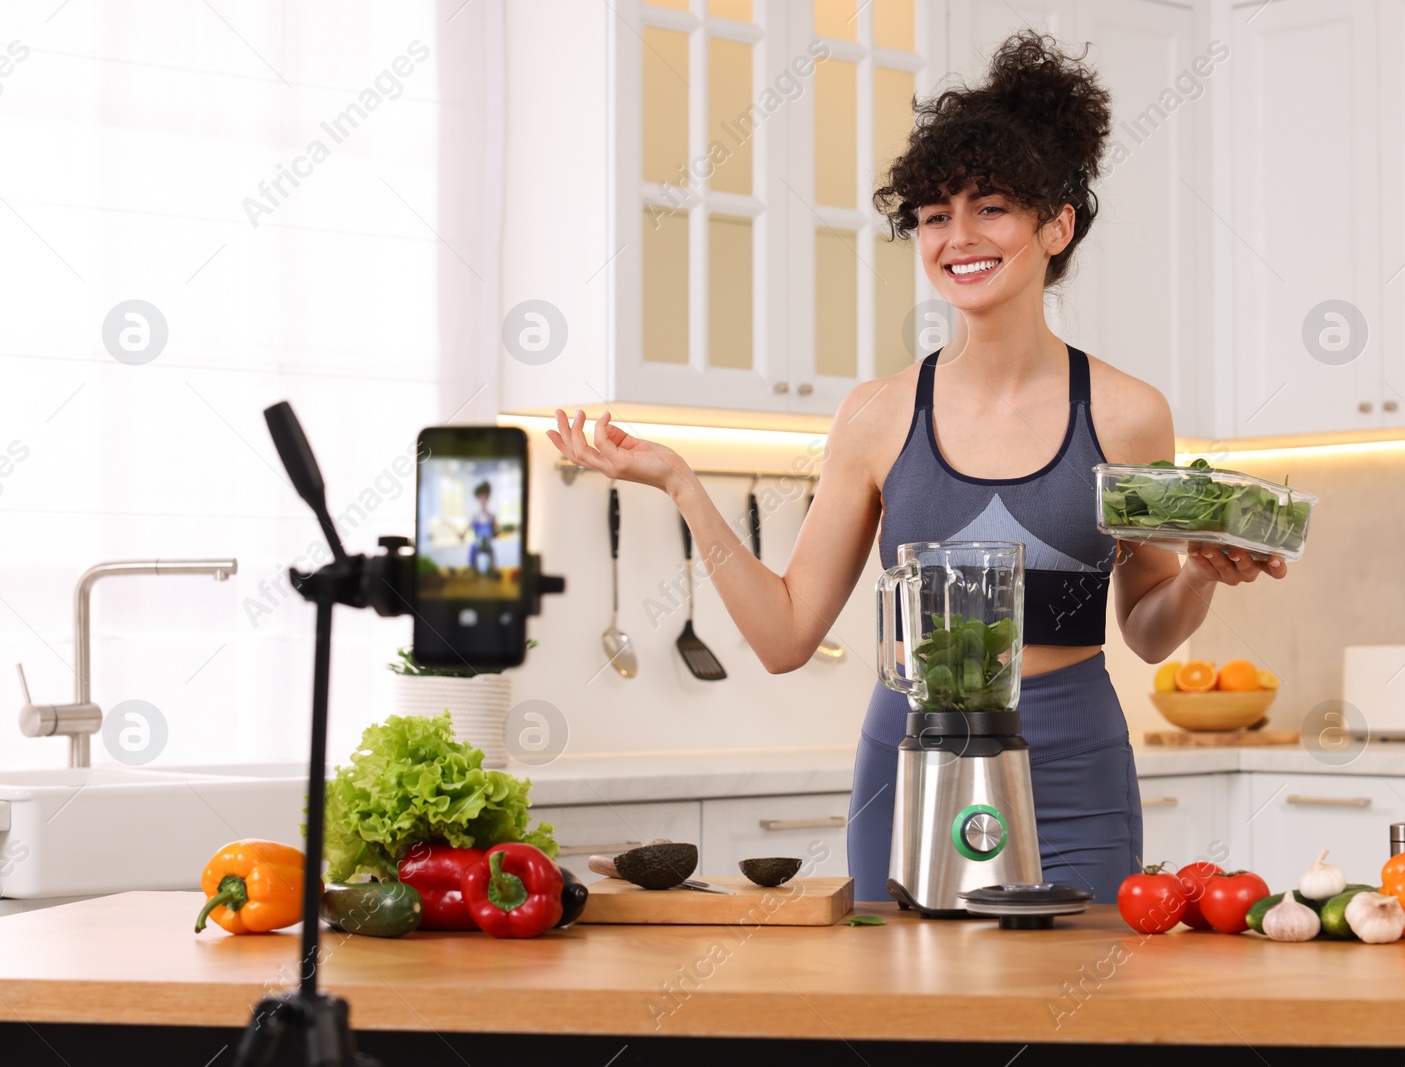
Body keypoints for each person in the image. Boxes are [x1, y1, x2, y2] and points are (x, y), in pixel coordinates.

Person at [546, 31, 1286, 903]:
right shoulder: (879, 414)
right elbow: (785, 637)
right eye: (935, 215)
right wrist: (681, 485)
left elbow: (1148, 631)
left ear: (1057, 224)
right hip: (911, 756)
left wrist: (1199, 574)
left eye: (992, 208)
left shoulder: (1126, 414)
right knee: (908, 1022)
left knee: (1079, 1025)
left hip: (1074, 764)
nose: (957, 237)